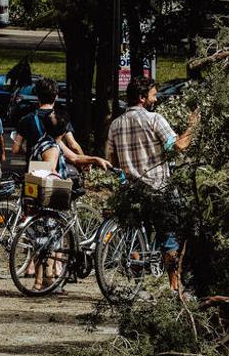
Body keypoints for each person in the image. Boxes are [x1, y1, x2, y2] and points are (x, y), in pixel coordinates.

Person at [107, 76, 199, 292]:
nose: (156, 100)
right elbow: (179, 146)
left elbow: (111, 160)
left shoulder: (115, 125)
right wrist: (192, 127)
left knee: (139, 238)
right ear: (142, 98)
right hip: (158, 187)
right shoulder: (154, 119)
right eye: (153, 95)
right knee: (171, 234)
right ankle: (174, 286)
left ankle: (137, 285)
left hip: (131, 190)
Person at [28, 110, 110, 292]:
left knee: (43, 239)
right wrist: (62, 180)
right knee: (47, 241)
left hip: (36, 196)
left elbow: (74, 157)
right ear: (64, 132)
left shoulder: (48, 141)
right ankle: (41, 282)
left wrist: (96, 159)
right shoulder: (51, 148)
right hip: (48, 199)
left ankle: (44, 281)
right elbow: (48, 171)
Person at [12, 77, 84, 168]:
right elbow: (73, 145)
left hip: (34, 171)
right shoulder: (60, 118)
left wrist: (34, 151)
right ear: (56, 96)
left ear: (37, 96)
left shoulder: (26, 119)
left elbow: (15, 149)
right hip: (56, 171)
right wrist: (83, 162)